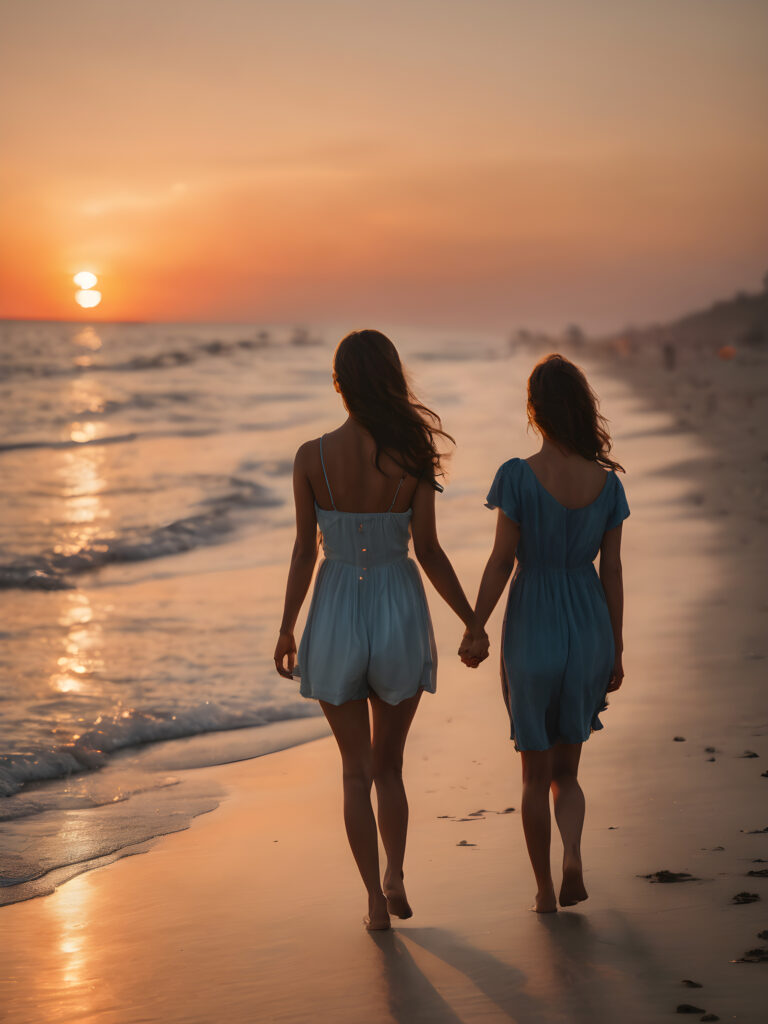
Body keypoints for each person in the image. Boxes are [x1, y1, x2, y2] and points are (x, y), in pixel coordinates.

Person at [275, 329, 488, 931]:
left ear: (339, 383)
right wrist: (471, 619)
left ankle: (373, 899)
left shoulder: (310, 457)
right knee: (389, 766)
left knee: (354, 770)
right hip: (397, 602)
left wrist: (287, 627)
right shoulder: (412, 456)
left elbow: (302, 553)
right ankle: (395, 871)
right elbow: (430, 551)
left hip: (337, 606)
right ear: (391, 378)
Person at [460, 353, 629, 913]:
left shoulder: (517, 476)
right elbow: (612, 570)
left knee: (534, 775)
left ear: (536, 410)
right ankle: (573, 856)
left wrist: (476, 624)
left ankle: (542, 892)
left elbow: (501, 561)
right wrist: (616, 647)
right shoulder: (605, 485)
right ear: (581, 407)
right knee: (568, 772)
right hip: (588, 626)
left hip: (533, 622)